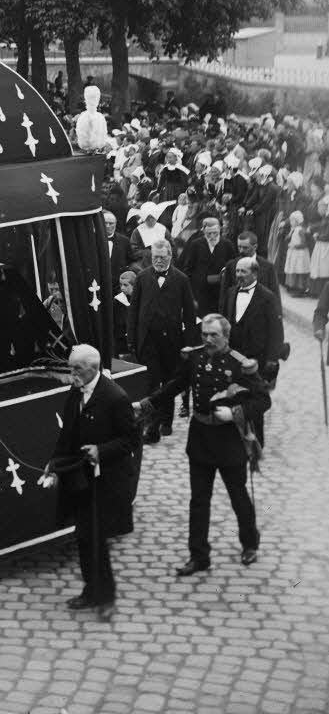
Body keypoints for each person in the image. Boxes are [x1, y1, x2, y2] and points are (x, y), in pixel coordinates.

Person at [135, 314, 270, 574]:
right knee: (199, 500)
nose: (207, 340)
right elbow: (175, 385)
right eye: (204, 334)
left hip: (229, 439)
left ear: (226, 336)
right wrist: (146, 404)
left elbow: (263, 401)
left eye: (213, 335)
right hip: (200, 438)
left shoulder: (240, 364)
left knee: (238, 495)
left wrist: (235, 414)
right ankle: (199, 556)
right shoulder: (194, 358)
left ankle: (250, 543)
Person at [41, 345, 140, 618]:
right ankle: (90, 590)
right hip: (81, 478)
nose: (71, 373)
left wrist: (102, 450)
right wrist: (54, 464)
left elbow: (131, 439)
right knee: (84, 537)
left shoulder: (115, 397)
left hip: (106, 481)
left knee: (97, 538)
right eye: (70, 367)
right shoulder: (75, 391)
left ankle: (106, 597)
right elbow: (68, 434)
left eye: (77, 368)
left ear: (93, 369)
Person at [127, 240, 196, 443]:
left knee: (168, 382)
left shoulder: (181, 279)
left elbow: (190, 314)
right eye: (155, 257)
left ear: (170, 257)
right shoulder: (142, 277)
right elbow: (133, 310)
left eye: (162, 257)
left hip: (171, 341)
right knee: (151, 383)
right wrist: (132, 338)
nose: (158, 260)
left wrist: (190, 342)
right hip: (147, 340)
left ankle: (167, 421)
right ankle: (152, 427)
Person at [218, 257, 283, 442]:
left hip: (256, 359)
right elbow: (222, 321)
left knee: (255, 400)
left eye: (243, 272)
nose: (238, 275)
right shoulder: (230, 293)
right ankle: (234, 439)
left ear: (255, 273)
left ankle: (257, 442)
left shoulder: (267, 297)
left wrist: (272, 359)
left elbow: (276, 331)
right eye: (237, 271)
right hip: (232, 357)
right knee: (232, 395)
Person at [180, 216, 236, 318]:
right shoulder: (196, 245)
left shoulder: (227, 245)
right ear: (203, 231)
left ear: (220, 230)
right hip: (200, 293)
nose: (212, 236)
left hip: (220, 293)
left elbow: (233, 267)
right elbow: (188, 270)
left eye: (215, 233)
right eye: (209, 234)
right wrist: (191, 296)